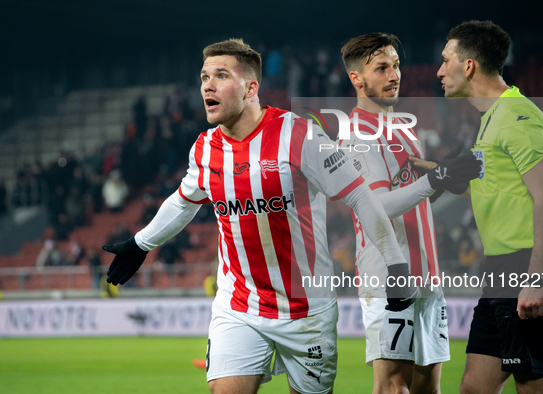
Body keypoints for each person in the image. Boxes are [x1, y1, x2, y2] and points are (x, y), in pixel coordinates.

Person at [103, 38, 415, 394]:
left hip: (306, 311)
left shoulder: (298, 135)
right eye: (204, 76)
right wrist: (141, 243)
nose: (208, 84)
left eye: (221, 75)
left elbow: (360, 195)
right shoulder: (205, 149)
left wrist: (396, 264)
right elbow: (184, 200)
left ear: (251, 87)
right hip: (239, 306)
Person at [417, 20, 543, 394]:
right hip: (500, 269)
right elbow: (493, 190)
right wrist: (435, 172)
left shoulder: (516, 117)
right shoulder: (491, 120)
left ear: (468, 66)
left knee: (534, 388)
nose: (438, 71)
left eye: (445, 60)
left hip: (526, 266)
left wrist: (534, 279)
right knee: (473, 388)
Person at [339, 33, 482, 394]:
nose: (394, 75)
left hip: (428, 275)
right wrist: (435, 179)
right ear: (357, 78)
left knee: (426, 388)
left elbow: (413, 197)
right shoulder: (356, 135)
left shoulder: (402, 129)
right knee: (393, 386)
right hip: (388, 278)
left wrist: (442, 178)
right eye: (382, 68)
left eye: (397, 65)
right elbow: (377, 205)